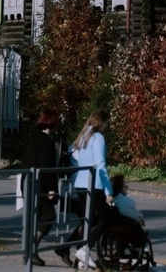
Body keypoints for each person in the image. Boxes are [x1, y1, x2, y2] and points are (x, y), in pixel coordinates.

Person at [63, 109, 114, 269]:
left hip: (80, 182)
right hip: (94, 183)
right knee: (106, 218)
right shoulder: (97, 137)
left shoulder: (84, 135)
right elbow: (100, 164)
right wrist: (109, 191)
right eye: (107, 124)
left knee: (89, 219)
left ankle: (80, 257)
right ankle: (84, 250)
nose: (107, 127)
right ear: (102, 122)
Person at [23, 109, 63, 266]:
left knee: (35, 217)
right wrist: (51, 189)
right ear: (52, 122)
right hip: (42, 186)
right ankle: (31, 249)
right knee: (48, 216)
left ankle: (30, 251)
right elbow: (47, 167)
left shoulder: (33, 139)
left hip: (29, 182)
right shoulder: (47, 142)